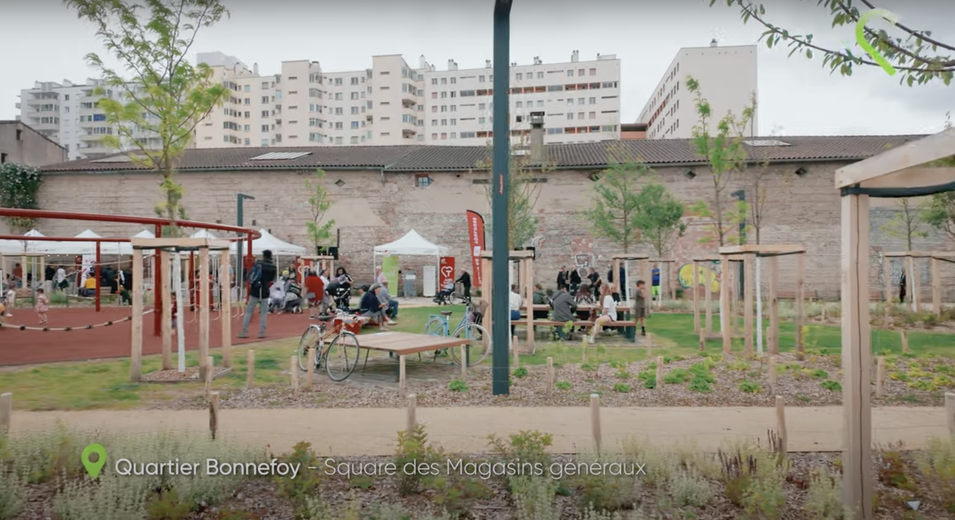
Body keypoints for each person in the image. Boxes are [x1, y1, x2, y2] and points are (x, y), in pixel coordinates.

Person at [238, 249, 277, 339]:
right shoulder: (273, 267)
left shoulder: (259, 264)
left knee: (249, 311)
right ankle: (262, 332)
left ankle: (244, 331)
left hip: (255, 290)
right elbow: (272, 280)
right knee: (263, 313)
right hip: (265, 291)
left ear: (263, 255)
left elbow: (250, 275)